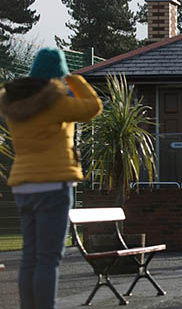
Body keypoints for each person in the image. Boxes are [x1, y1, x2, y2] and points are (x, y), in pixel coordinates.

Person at [0, 47, 103, 309]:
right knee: (48, 258)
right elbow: (93, 106)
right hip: (54, 183)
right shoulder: (57, 102)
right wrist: (74, 79)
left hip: (23, 185)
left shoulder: (10, 102)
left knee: (30, 256)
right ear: (57, 75)